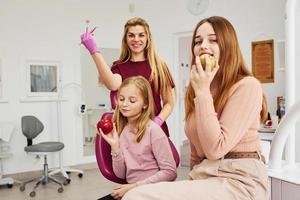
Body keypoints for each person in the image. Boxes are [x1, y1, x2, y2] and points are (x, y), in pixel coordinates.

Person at [122, 16, 269, 200]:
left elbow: (215, 148)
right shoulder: (197, 90)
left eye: (213, 40)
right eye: (198, 41)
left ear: (228, 46)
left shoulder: (247, 86)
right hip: (205, 178)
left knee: (136, 197)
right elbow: (196, 155)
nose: (203, 46)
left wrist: (202, 92)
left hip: (239, 180)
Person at [81, 17, 175, 137]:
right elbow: (112, 84)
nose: (136, 39)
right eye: (131, 35)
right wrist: (94, 51)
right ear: (126, 39)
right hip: (129, 134)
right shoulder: (119, 66)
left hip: (156, 132)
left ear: (148, 38)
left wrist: (157, 122)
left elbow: (169, 103)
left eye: (141, 35)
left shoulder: (159, 66)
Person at [97, 76, 177, 200]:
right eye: (121, 99)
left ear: (145, 104)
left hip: (155, 191)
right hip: (134, 190)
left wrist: (134, 187)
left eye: (132, 100)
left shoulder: (153, 130)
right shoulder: (123, 131)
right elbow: (121, 174)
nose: (124, 104)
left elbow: (170, 172)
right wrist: (115, 147)